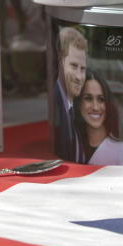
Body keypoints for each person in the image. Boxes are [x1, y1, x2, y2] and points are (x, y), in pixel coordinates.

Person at [72, 70, 123, 165]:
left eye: (101, 99)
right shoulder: (73, 146)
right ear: (78, 103)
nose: (95, 107)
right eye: (88, 98)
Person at [53, 26, 87, 162]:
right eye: (73, 66)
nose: (79, 77)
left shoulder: (75, 109)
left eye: (83, 68)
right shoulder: (55, 102)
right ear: (61, 61)